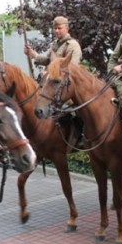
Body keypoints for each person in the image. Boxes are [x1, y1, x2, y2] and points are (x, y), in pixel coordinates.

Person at [24, 16, 85, 148]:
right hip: (54, 84)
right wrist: (33, 54)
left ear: (66, 28)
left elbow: (72, 67)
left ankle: (80, 136)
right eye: (55, 28)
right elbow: (46, 59)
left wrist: (51, 73)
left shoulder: (73, 45)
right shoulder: (55, 44)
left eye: (59, 28)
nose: (57, 31)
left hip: (67, 85)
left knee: (75, 110)